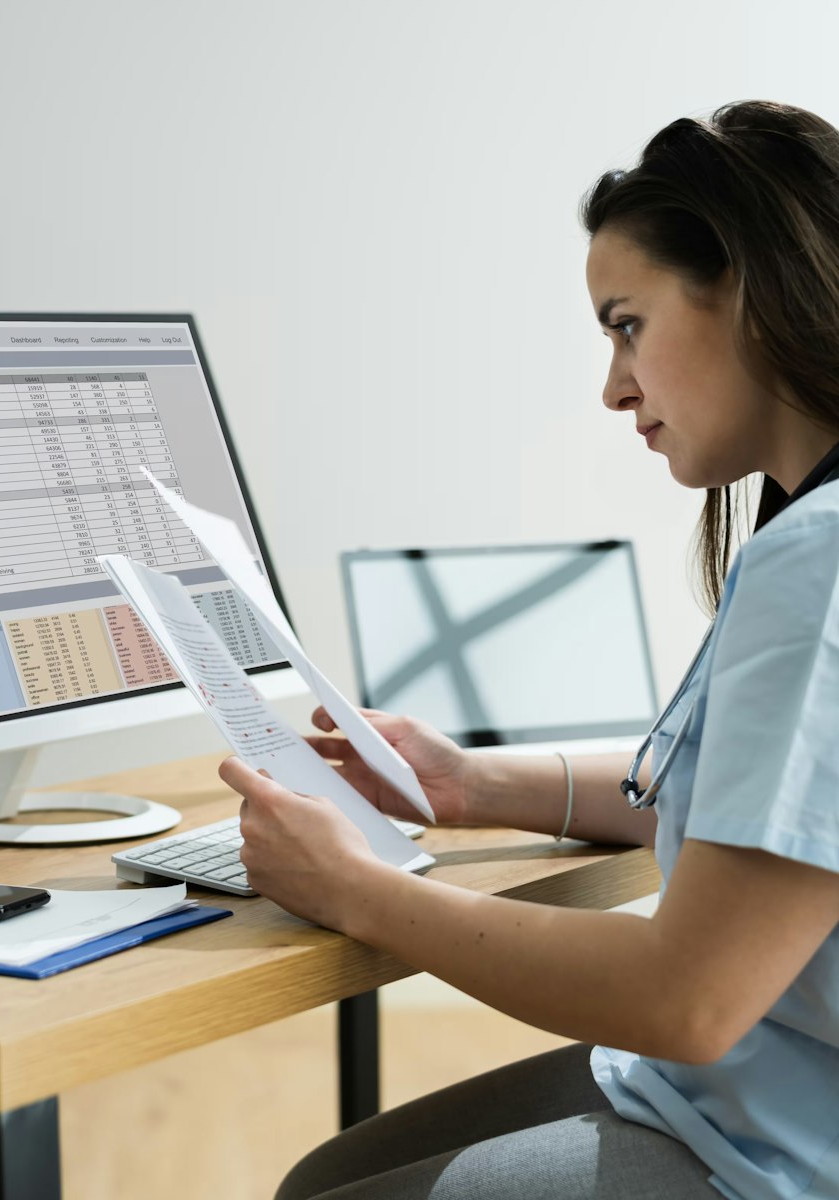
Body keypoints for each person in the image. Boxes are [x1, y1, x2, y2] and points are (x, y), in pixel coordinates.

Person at [220, 99, 839, 1200]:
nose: (614, 386)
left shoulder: (820, 564)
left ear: (749, 288)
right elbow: (772, 823)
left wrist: (356, 889)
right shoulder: (812, 535)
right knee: (327, 1175)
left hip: (789, 1146)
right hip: (760, 1090)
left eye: (627, 325)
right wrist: (469, 784)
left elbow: (689, 998)